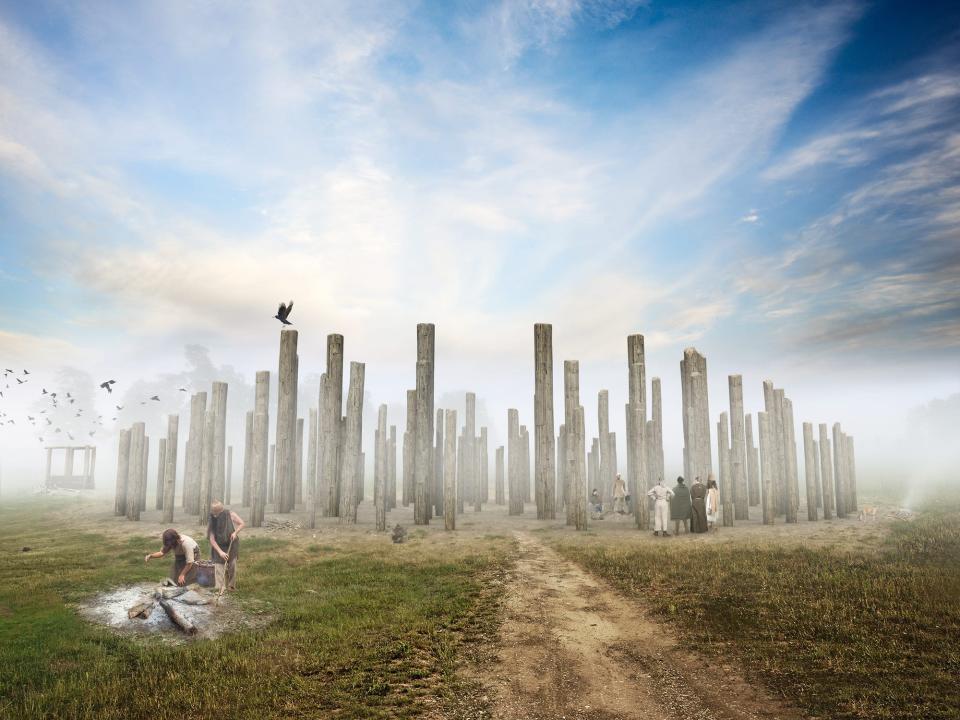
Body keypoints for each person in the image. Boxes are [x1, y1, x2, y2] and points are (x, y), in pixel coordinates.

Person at [208, 500, 244, 592]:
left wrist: (235, 533)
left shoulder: (230, 514)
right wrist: (220, 552)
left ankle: (231, 586)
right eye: (214, 514)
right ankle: (220, 589)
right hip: (218, 546)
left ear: (222, 511)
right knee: (219, 567)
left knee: (232, 566)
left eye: (217, 514)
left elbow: (241, 523)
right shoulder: (212, 519)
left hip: (231, 544)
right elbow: (212, 539)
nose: (216, 516)